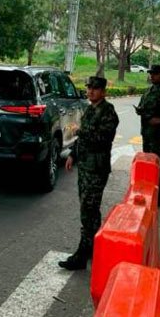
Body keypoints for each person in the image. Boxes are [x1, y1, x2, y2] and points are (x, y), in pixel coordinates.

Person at [59, 76, 119, 271]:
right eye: (89, 88)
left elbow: (102, 138)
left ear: (103, 91)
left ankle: (81, 255)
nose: (91, 91)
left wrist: (79, 132)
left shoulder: (108, 112)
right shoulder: (90, 109)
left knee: (88, 211)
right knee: (90, 210)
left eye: (95, 89)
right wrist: (73, 154)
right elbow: (84, 137)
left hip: (96, 168)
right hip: (85, 166)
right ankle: (92, 247)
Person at [135, 64, 160, 207]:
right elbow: (143, 106)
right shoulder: (148, 90)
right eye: (151, 73)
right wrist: (140, 110)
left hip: (159, 133)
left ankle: (159, 192)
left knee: (158, 161)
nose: (152, 76)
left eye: (155, 74)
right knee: (147, 161)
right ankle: (149, 189)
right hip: (146, 131)